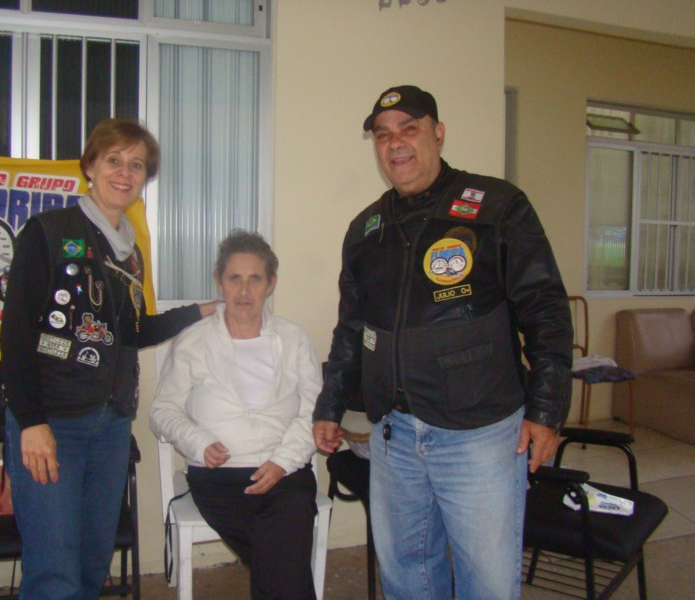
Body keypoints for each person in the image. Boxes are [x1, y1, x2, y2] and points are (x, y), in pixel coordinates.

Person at [312, 85, 573, 599]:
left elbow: (545, 310)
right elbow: (351, 329)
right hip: (394, 434)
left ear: (438, 133)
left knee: (487, 581)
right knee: (407, 575)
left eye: (409, 129)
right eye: (383, 135)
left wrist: (546, 411)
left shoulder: (498, 206)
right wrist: (330, 403)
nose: (395, 143)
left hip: (479, 434)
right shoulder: (366, 230)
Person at [0, 118, 218, 599]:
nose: (125, 172)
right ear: (91, 167)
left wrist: (198, 311)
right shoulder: (47, 232)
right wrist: (31, 422)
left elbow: (131, 333)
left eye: (137, 165)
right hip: (52, 422)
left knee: (93, 562)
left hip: (111, 425)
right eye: (114, 160)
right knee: (54, 572)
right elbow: (15, 337)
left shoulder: (129, 253)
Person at [150, 230, 322, 600]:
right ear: (219, 282)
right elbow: (162, 411)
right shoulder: (193, 341)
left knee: (289, 515)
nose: (244, 291)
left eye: (255, 279)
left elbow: (314, 410)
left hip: (284, 474)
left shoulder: (293, 339)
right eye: (234, 278)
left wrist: (282, 462)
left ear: (271, 284)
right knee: (283, 549)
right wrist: (198, 442)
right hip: (219, 478)